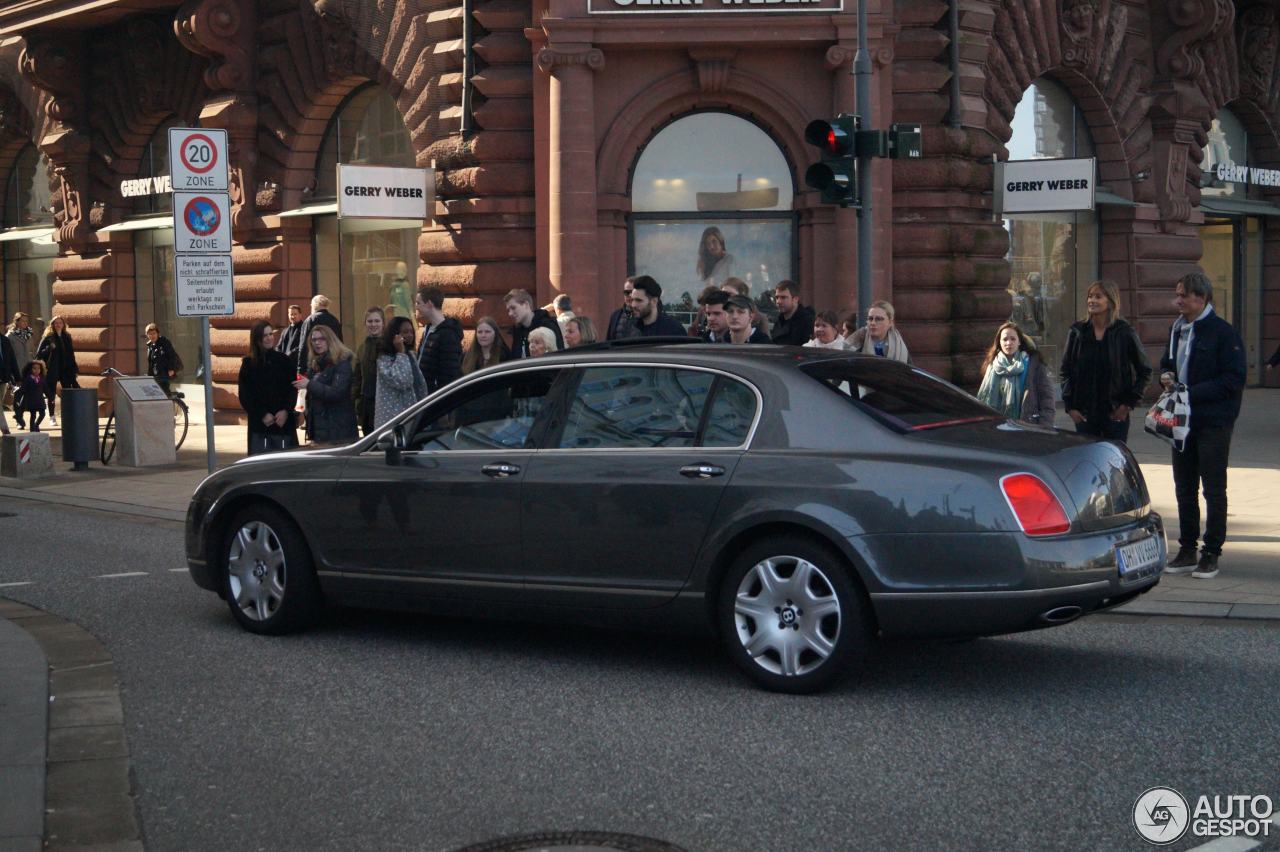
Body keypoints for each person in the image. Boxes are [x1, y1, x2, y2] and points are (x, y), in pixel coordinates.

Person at [1159, 271, 1246, 579]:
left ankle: (1211, 552)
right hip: (1181, 420)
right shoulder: (1177, 328)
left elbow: (1233, 380)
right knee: (1184, 487)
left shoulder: (1222, 333)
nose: (1178, 300)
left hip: (1213, 421)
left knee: (1213, 488)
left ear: (1201, 297)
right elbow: (1167, 363)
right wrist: (1166, 376)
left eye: (1183, 295)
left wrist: (1190, 392)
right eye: (1178, 293)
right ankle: (1186, 549)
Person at [1059, 279, 1151, 443]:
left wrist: (1127, 405)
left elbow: (1145, 371)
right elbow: (1065, 371)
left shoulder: (1124, 332)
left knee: (1113, 463)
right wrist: (1070, 407)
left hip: (1115, 415)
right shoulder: (1077, 332)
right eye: (1090, 296)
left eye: (1098, 297)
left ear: (1110, 301)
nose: (1092, 301)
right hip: (1084, 416)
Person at [238, 321, 299, 454]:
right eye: (264, 335)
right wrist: (262, 414)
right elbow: (245, 395)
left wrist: (285, 410)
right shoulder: (248, 364)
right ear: (257, 339)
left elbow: (292, 388)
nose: (269, 338)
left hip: (283, 425)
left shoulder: (284, 360)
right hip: (260, 426)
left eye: (270, 334)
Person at [977, 322, 1055, 424]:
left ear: (1019, 342)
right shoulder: (991, 366)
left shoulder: (1033, 365)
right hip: (997, 427)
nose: (1009, 343)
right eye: (1005, 339)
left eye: (1013, 339)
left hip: (1028, 427)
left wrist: (1045, 424)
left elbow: (1047, 398)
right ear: (999, 342)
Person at [295, 325, 357, 445]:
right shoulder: (315, 364)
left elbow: (337, 393)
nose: (317, 343)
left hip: (339, 429)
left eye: (322, 339)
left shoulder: (342, 363)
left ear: (330, 340)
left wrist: (309, 384)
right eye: (314, 340)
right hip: (321, 428)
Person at [375, 316, 428, 429]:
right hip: (394, 419)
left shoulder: (411, 355)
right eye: (405, 332)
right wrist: (400, 352)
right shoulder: (384, 359)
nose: (409, 335)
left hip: (413, 413)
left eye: (411, 332)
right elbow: (402, 381)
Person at [414, 286, 464, 393]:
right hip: (425, 394)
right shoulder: (428, 329)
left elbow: (449, 372)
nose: (416, 307)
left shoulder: (448, 334)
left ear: (429, 304)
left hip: (437, 397)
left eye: (418, 303)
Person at [35, 315, 78, 425]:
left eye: (60, 323)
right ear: (52, 324)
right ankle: (52, 416)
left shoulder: (67, 337)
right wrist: (49, 348)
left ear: (63, 325)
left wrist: (74, 368)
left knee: (68, 392)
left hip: (66, 369)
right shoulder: (48, 337)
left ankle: (69, 415)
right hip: (52, 369)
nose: (58, 325)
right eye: (56, 323)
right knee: (51, 394)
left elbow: (71, 354)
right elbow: (38, 354)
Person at [350, 307, 385, 436]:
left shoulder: (389, 345)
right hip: (366, 402)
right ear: (365, 323)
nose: (373, 324)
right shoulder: (362, 347)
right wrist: (356, 400)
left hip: (384, 401)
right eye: (370, 321)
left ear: (383, 323)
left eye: (377, 321)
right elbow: (357, 377)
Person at [505, 288, 564, 356]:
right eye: (508, 310)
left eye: (513, 308)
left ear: (526, 304)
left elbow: (557, 354)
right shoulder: (517, 331)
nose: (510, 313)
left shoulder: (548, 325)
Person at [845, 301, 910, 363]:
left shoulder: (898, 342)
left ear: (890, 322)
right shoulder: (860, 336)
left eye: (878, 319)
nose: (873, 323)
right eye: (870, 319)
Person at [296, 294, 343, 374]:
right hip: (333, 363)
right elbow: (340, 342)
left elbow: (303, 346)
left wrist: (301, 369)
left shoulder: (310, 320)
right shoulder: (334, 320)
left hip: (315, 365)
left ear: (314, 306)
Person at [771, 280, 815, 346]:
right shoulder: (779, 321)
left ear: (795, 299)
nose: (778, 301)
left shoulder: (807, 322)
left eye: (783, 297)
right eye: (777, 297)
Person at [144, 323, 179, 395]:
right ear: (147, 335)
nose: (152, 336)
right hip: (155, 375)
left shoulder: (164, 342)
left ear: (158, 333)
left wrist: (171, 368)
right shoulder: (150, 346)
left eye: (154, 333)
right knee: (156, 394)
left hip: (164, 373)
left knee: (164, 392)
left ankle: (174, 403)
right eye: (150, 334)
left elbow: (172, 355)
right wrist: (149, 376)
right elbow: (151, 363)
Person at [14, 360, 48, 432]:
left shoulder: (41, 379)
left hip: (40, 400)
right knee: (33, 415)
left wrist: (51, 397)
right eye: (34, 368)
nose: (36, 370)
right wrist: (18, 399)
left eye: (38, 368)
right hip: (31, 400)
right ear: (30, 369)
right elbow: (22, 390)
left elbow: (46, 389)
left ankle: (36, 424)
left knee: (42, 414)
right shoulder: (28, 379)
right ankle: (32, 428)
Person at [0, 331, 17, 435]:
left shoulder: (4, 340)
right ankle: (4, 428)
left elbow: (12, 359)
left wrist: (17, 377)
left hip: (2, 378)